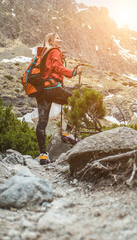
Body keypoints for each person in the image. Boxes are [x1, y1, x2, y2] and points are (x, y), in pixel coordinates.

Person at [36, 33, 83, 165]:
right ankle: (68, 132)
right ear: (51, 41)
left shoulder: (43, 53)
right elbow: (57, 68)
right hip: (52, 88)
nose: (60, 40)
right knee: (77, 101)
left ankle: (43, 155)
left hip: (42, 91)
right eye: (57, 38)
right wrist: (73, 72)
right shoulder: (55, 51)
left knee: (42, 121)